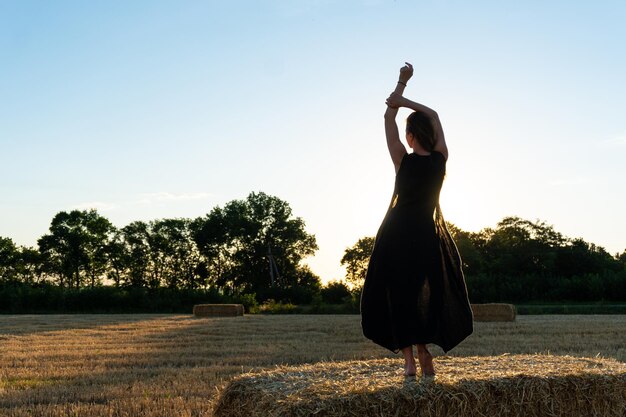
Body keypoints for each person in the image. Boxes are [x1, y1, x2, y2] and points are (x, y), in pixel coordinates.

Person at [360, 62, 473, 377]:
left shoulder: (402, 160)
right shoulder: (440, 160)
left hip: (396, 233)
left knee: (399, 294)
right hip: (425, 234)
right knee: (428, 291)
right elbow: (434, 115)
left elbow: (387, 115)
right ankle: (423, 352)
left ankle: (409, 359)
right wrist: (405, 98)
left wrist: (401, 84)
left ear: (409, 136)